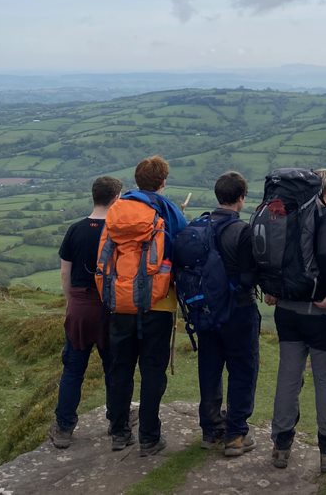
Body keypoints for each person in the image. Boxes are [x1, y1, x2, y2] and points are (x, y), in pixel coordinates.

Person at [268, 167, 326, 474]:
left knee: (288, 376)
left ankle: (281, 445)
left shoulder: (285, 213)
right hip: (318, 311)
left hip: (286, 308)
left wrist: (273, 289)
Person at [107, 155, 187, 456]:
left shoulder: (118, 209)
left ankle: (119, 432)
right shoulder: (167, 209)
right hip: (158, 302)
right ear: (163, 181)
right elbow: (183, 247)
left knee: (120, 368)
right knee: (153, 370)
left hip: (120, 301)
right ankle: (149, 437)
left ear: (137, 179)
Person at [49, 176, 122, 449]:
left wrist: (72, 302)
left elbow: (64, 273)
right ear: (116, 198)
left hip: (80, 306)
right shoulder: (117, 231)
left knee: (73, 369)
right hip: (109, 307)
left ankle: (64, 428)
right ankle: (117, 423)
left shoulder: (75, 230)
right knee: (113, 368)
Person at [196, 171, 261, 457]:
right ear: (241, 198)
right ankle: (235, 434)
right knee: (243, 369)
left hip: (205, 309)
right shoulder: (243, 231)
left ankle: (211, 431)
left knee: (209, 368)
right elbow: (249, 275)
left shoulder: (200, 226)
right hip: (238, 309)